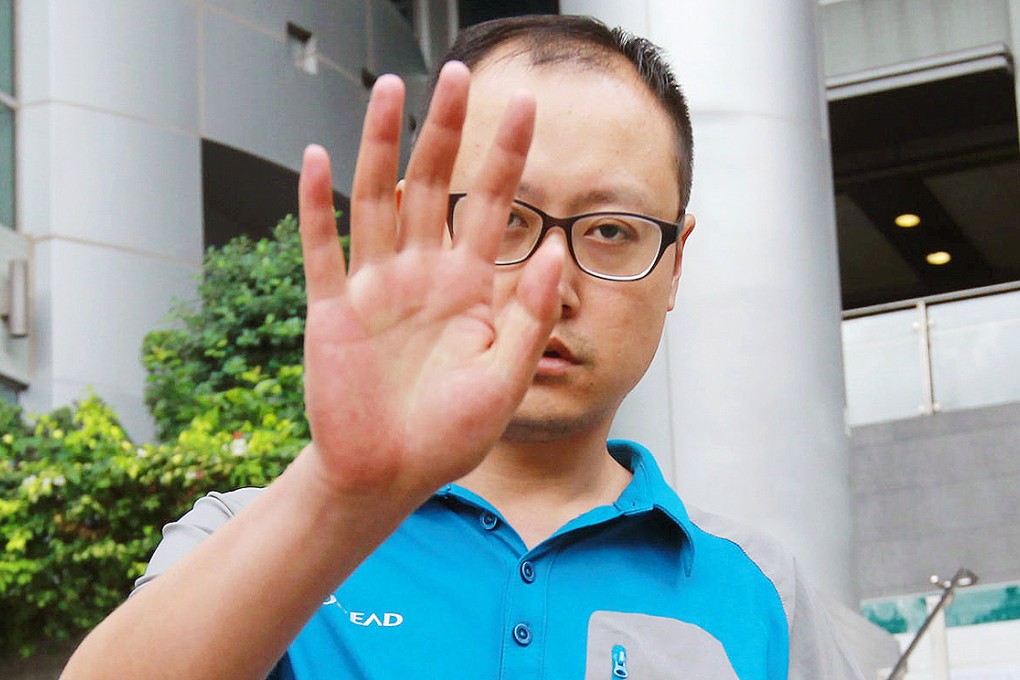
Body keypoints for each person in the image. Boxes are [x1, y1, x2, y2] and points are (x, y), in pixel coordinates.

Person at [61, 15, 864, 680]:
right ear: (415, 222)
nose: (551, 284)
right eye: (504, 218)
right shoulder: (250, 537)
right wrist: (340, 496)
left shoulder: (763, 592)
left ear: (676, 261)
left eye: (612, 231)